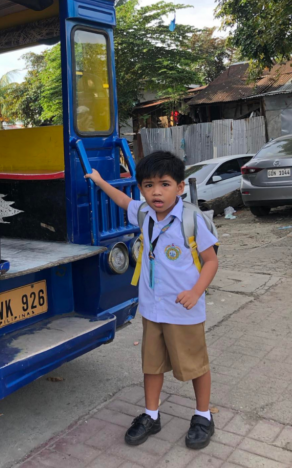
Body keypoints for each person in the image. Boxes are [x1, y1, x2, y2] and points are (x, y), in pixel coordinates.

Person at [86, 151, 219, 450]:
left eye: (164, 184)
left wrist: (196, 291)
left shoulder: (191, 219)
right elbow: (121, 200)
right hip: (152, 308)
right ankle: (151, 414)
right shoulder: (144, 213)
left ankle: (203, 415)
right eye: (148, 185)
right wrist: (99, 181)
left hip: (184, 311)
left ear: (180, 187)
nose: (156, 192)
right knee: (152, 364)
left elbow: (210, 261)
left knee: (195, 364)